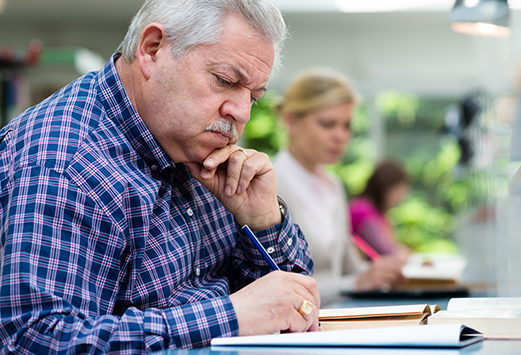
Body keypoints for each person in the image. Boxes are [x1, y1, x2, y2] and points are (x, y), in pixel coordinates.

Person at [0, 0, 321, 353]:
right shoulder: (68, 161)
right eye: (225, 81)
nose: (241, 113)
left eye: (254, 97)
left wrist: (262, 221)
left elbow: (292, 305)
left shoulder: (191, 144)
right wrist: (231, 316)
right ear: (152, 50)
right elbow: (36, 340)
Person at [272, 68, 404, 305]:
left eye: (346, 126)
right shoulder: (270, 184)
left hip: (336, 321)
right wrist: (354, 284)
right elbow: (279, 287)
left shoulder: (334, 185)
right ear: (291, 121)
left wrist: (383, 270)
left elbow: (351, 268)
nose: (340, 136)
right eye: (327, 124)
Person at [349, 160, 411, 257]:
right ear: (385, 187)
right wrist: (401, 253)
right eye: (397, 191)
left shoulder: (377, 212)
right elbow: (386, 252)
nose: (401, 198)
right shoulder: (362, 211)